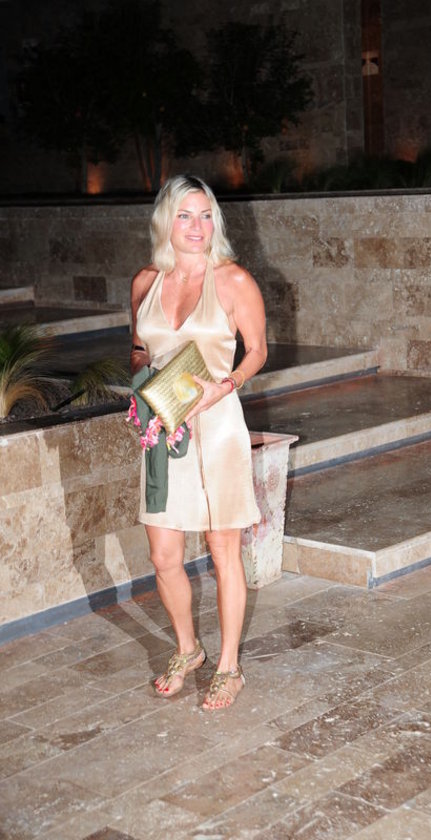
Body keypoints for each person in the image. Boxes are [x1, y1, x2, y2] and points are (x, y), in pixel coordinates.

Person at [130, 174, 267, 710]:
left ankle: (229, 666)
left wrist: (224, 386)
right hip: (164, 429)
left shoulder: (233, 280)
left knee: (221, 550)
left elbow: (257, 350)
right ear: (166, 220)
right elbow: (139, 347)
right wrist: (140, 389)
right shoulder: (145, 281)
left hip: (217, 429)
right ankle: (188, 649)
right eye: (185, 215)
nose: (196, 226)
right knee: (163, 554)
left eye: (206, 215)